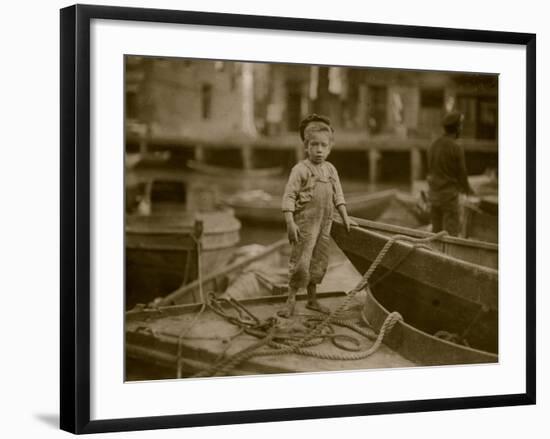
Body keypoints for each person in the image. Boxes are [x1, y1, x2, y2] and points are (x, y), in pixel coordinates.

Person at [279, 114, 353, 318]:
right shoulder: (300, 170)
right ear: (306, 146)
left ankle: (312, 299)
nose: (319, 150)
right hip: (305, 224)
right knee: (301, 261)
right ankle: (291, 299)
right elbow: (289, 196)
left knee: (319, 261)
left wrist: (345, 217)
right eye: (314, 145)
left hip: (325, 223)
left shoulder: (330, 170)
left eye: (323, 145)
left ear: (330, 148)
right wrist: (290, 222)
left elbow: (339, 195)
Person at [427, 111, 474, 236]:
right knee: (451, 234)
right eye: (461, 126)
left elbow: (431, 169)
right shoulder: (456, 147)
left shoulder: (433, 145)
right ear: (458, 128)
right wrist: (468, 190)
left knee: (435, 233)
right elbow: (462, 174)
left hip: (433, 196)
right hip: (449, 198)